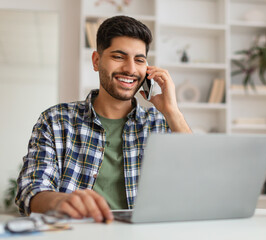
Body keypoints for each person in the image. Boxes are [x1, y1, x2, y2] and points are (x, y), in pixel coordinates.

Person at [15, 15, 191, 223]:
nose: (130, 69)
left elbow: (198, 183)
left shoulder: (160, 123)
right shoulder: (55, 120)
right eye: (119, 56)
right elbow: (31, 189)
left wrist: (172, 111)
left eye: (139, 60)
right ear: (97, 61)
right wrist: (59, 202)